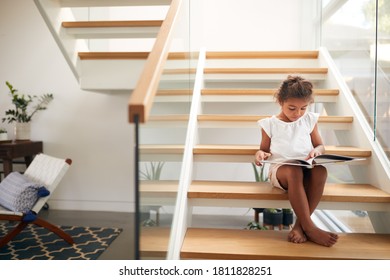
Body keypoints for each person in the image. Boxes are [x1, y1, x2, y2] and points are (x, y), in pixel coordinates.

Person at [254, 75, 338, 247]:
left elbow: (320, 145)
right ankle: (310, 227)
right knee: (294, 171)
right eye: (292, 108)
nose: (297, 113)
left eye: (303, 108)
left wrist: (316, 151)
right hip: (282, 170)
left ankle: (300, 226)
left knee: (321, 170)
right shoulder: (270, 124)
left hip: (305, 166)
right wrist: (260, 154)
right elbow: (264, 149)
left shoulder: (309, 120)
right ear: (280, 101)